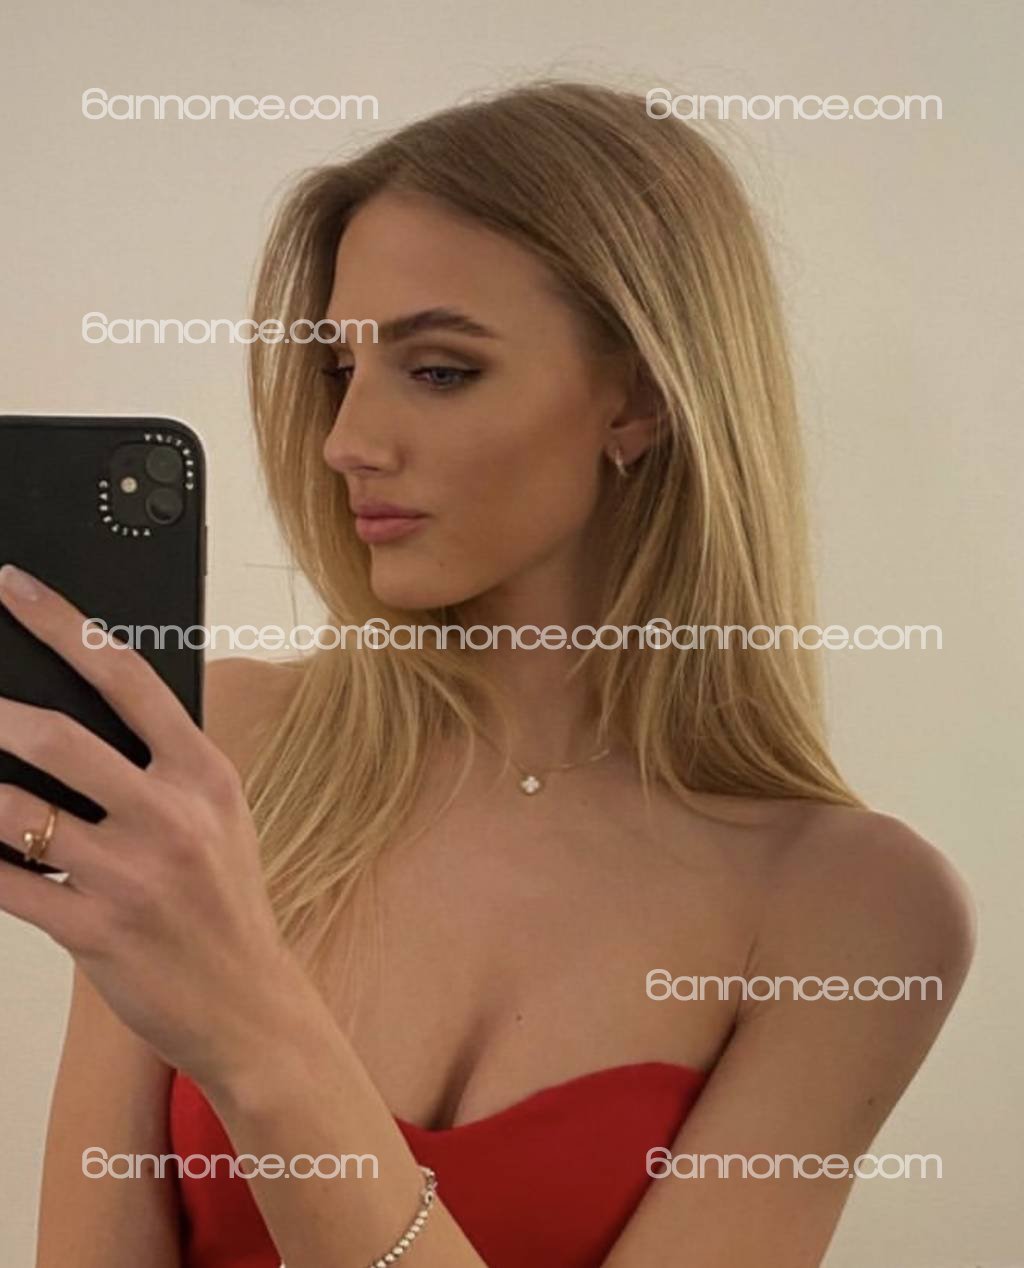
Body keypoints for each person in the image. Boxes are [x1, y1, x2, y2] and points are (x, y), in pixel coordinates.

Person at [11, 81, 973, 1268]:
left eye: (439, 370)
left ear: (639, 397)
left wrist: (256, 1036)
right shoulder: (222, 744)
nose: (346, 441)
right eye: (340, 369)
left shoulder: (858, 912)